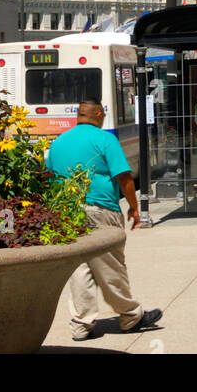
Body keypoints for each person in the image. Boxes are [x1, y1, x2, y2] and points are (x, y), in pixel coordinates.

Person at [45, 99, 162, 342]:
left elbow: (48, 176)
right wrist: (134, 207)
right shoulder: (105, 139)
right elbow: (124, 177)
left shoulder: (58, 142)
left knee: (79, 268)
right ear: (99, 114)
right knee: (110, 264)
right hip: (100, 208)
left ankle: (81, 324)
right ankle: (130, 314)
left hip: (67, 212)